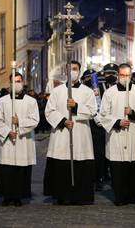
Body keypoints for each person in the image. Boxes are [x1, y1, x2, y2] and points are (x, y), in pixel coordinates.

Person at [44, 60, 97, 205]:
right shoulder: (57, 91)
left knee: (80, 165)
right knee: (62, 166)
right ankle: (62, 195)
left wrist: (76, 107)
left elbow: (93, 112)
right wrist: (62, 121)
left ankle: (81, 196)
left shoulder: (87, 92)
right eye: (70, 69)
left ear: (79, 71)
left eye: (75, 69)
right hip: (62, 134)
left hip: (80, 134)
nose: (72, 71)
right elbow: (49, 111)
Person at [100, 63, 135, 206]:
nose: (125, 78)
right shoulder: (110, 93)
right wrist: (117, 122)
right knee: (118, 169)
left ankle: (133, 196)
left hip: (133, 135)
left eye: (127, 75)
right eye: (122, 75)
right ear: (117, 75)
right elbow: (103, 114)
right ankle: (120, 197)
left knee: (133, 169)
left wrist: (133, 113)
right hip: (117, 136)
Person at [0, 71, 39, 207]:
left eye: (19, 81)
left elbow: (35, 119)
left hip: (23, 141)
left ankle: (19, 196)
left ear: (23, 82)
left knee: (20, 170)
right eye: (14, 81)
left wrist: (20, 122)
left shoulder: (31, 101)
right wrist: (7, 132)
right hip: (8, 141)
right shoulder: (2, 101)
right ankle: (7, 196)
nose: (17, 84)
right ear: (10, 84)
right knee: (7, 170)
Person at [81, 69, 106, 191]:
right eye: (87, 78)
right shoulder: (81, 90)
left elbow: (104, 104)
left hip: (98, 126)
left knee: (99, 153)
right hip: (85, 123)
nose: (89, 81)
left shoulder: (100, 88)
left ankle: (99, 178)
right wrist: (93, 114)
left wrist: (100, 116)